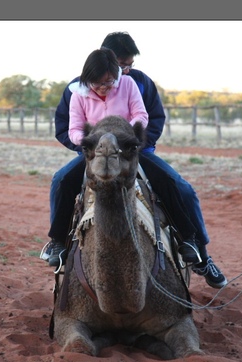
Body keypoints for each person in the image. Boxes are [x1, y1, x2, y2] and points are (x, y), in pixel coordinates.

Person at [41, 32, 227, 289]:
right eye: (121, 65)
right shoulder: (78, 88)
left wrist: (133, 144)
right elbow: (67, 127)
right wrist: (90, 146)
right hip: (94, 155)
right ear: (105, 58)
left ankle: (199, 253)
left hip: (136, 150)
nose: (125, 71)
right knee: (61, 180)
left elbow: (151, 117)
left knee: (180, 187)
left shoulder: (136, 83)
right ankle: (58, 242)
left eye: (129, 65)